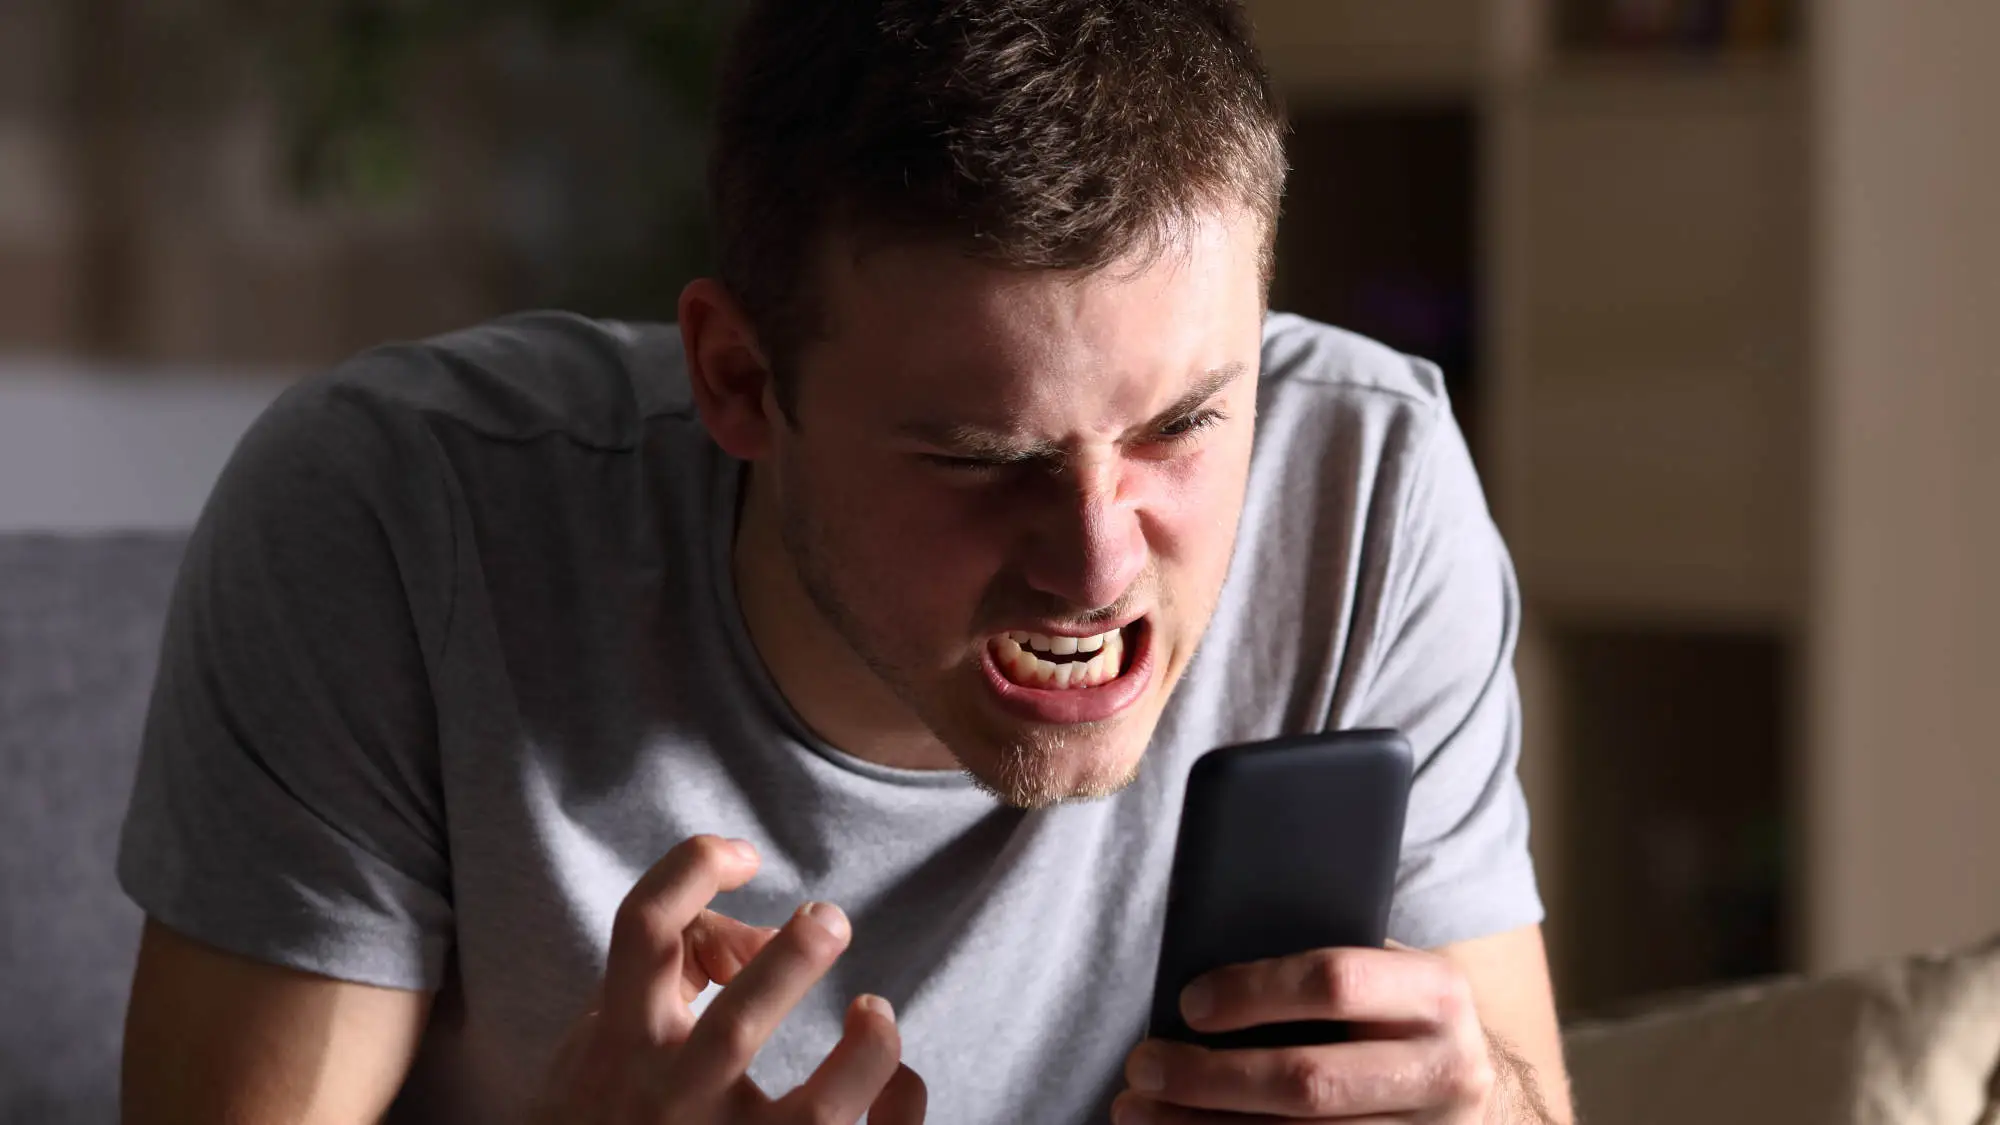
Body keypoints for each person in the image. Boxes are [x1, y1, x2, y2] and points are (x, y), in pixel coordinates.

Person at [116, 1, 1570, 1122]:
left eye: (1185, 424)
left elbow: (1523, 1096)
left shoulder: (1365, 483)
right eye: (981, 459)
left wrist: (1482, 1105)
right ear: (739, 380)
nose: (1094, 563)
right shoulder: (393, 517)